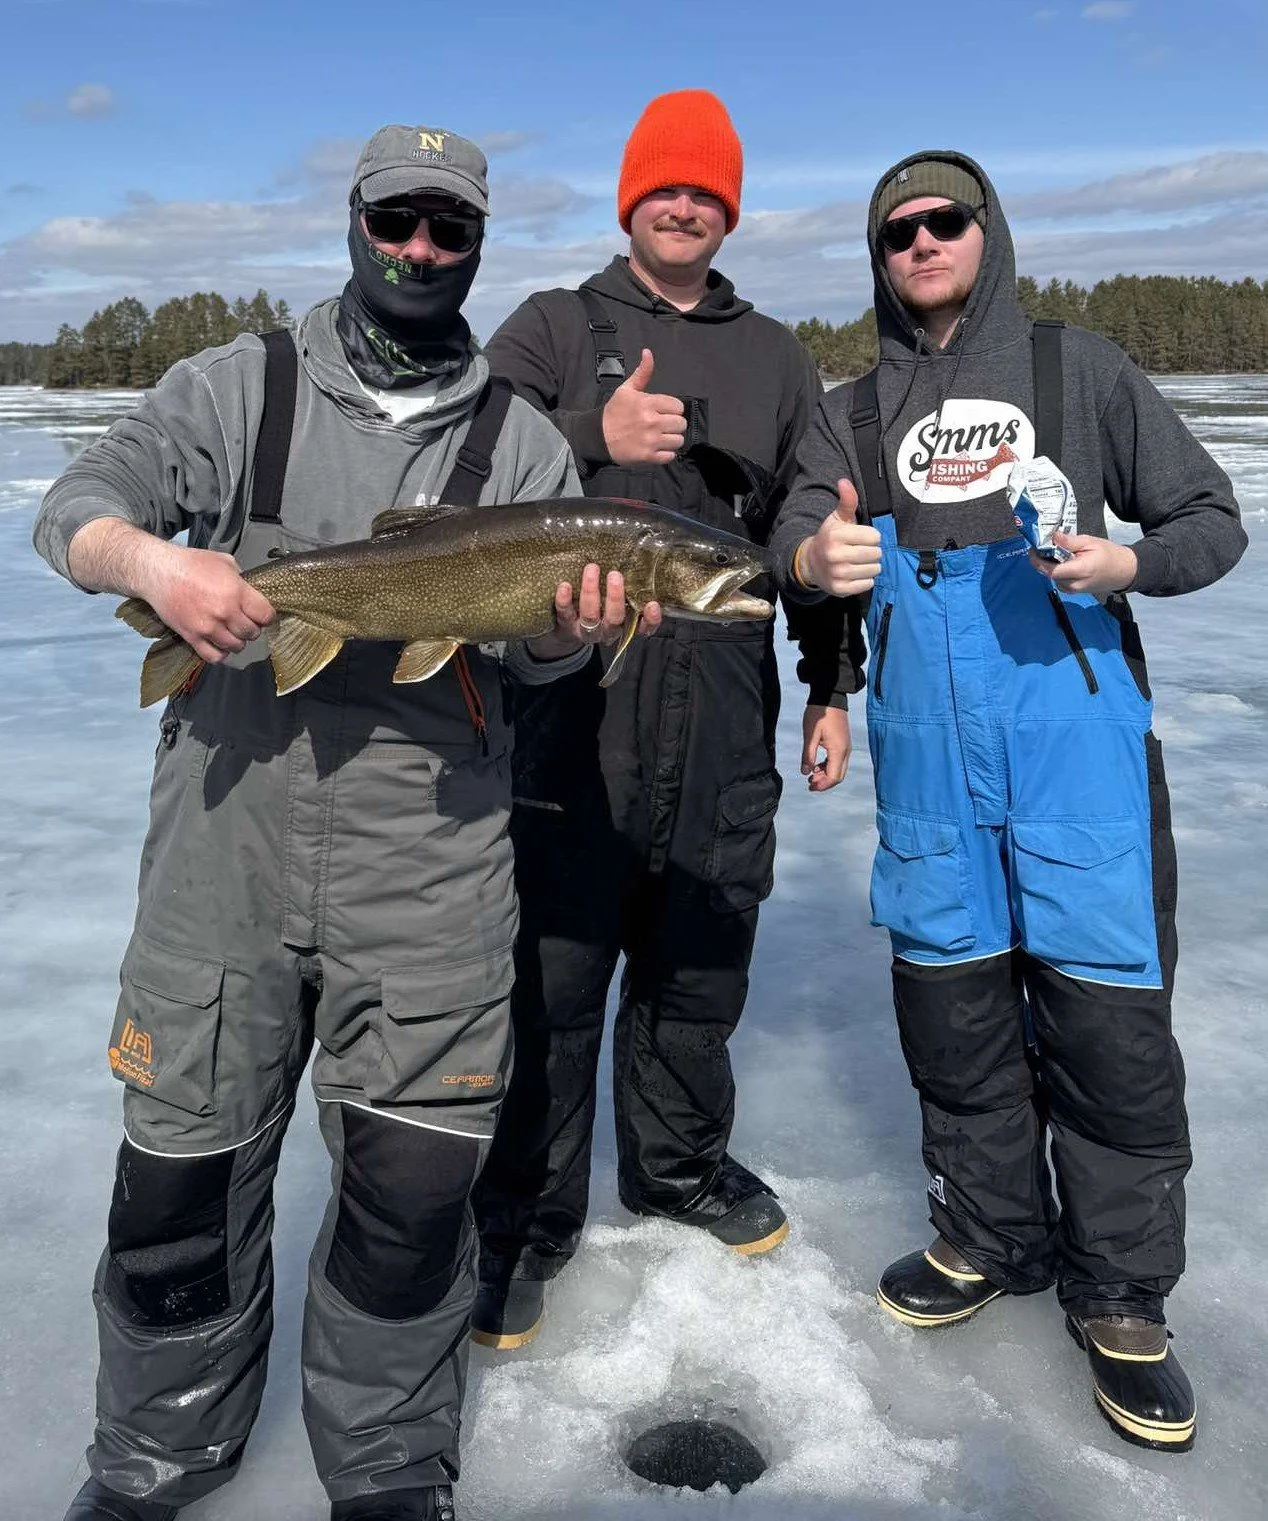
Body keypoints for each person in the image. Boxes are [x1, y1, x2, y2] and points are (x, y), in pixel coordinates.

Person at [35, 124, 659, 1521]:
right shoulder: (232, 385)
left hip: (428, 867)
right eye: (400, 222)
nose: (421, 251)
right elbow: (77, 508)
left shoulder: (522, 445)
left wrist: (576, 634)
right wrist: (152, 565)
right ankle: (156, 1457)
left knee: (409, 1201)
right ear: (358, 223)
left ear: (478, 247)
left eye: (451, 231)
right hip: (222, 851)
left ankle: (384, 1470)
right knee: (175, 1193)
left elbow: (540, 667)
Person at [771, 149, 1247, 1452]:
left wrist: (1127, 558)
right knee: (955, 1019)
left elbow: (1213, 520)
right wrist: (812, 565)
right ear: (878, 258)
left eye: (946, 221)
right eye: (898, 232)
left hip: (1075, 754)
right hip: (929, 765)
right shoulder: (852, 408)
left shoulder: (1075, 371)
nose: (922, 243)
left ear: (988, 230)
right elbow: (797, 542)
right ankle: (984, 1234)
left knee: (1106, 1034)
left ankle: (1124, 1305)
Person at [470, 89, 861, 1349]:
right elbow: (454, 464)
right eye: (662, 188)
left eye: (705, 190)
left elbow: (814, 520)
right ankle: (525, 1221)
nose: (683, 204)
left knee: (699, 956)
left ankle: (678, 1170)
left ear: (728, 209)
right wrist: (589, 431)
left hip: (727, 696)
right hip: (573, 695)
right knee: (556, 968)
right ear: (629, 199)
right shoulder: (550, 325)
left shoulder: (775, 354)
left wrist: (829, 680)